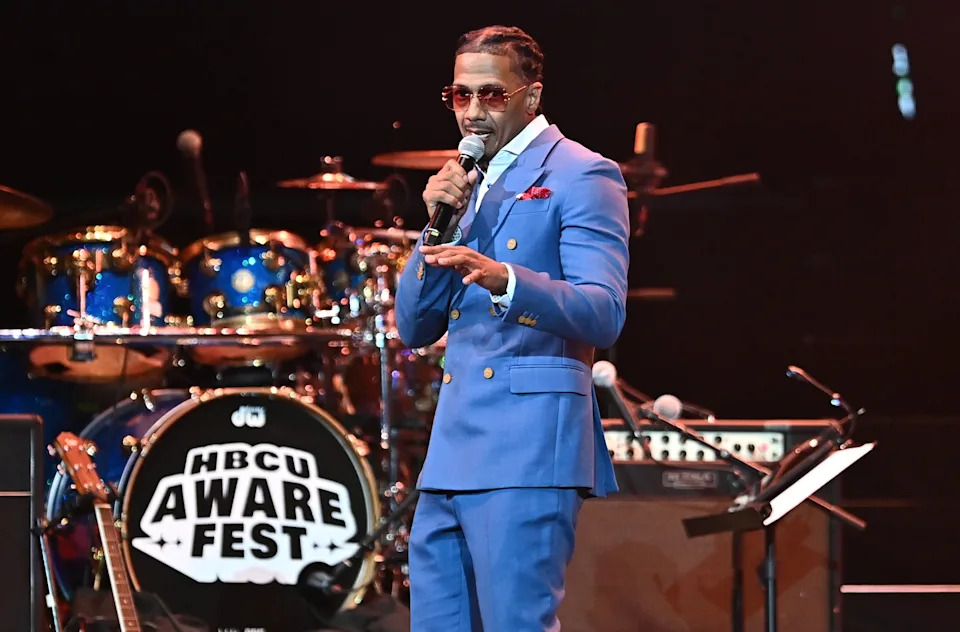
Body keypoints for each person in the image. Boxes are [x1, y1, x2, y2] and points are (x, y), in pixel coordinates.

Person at [394, 25, 630, 631]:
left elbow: (603, 310)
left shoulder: (583, 172)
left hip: (527, 444)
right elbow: (414, 325)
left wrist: (505, 280)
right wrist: (433, 230)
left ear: (531, 95)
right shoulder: (462, 184)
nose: (472, 112)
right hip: (452, 447)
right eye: (460, 95)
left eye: (491, 95)